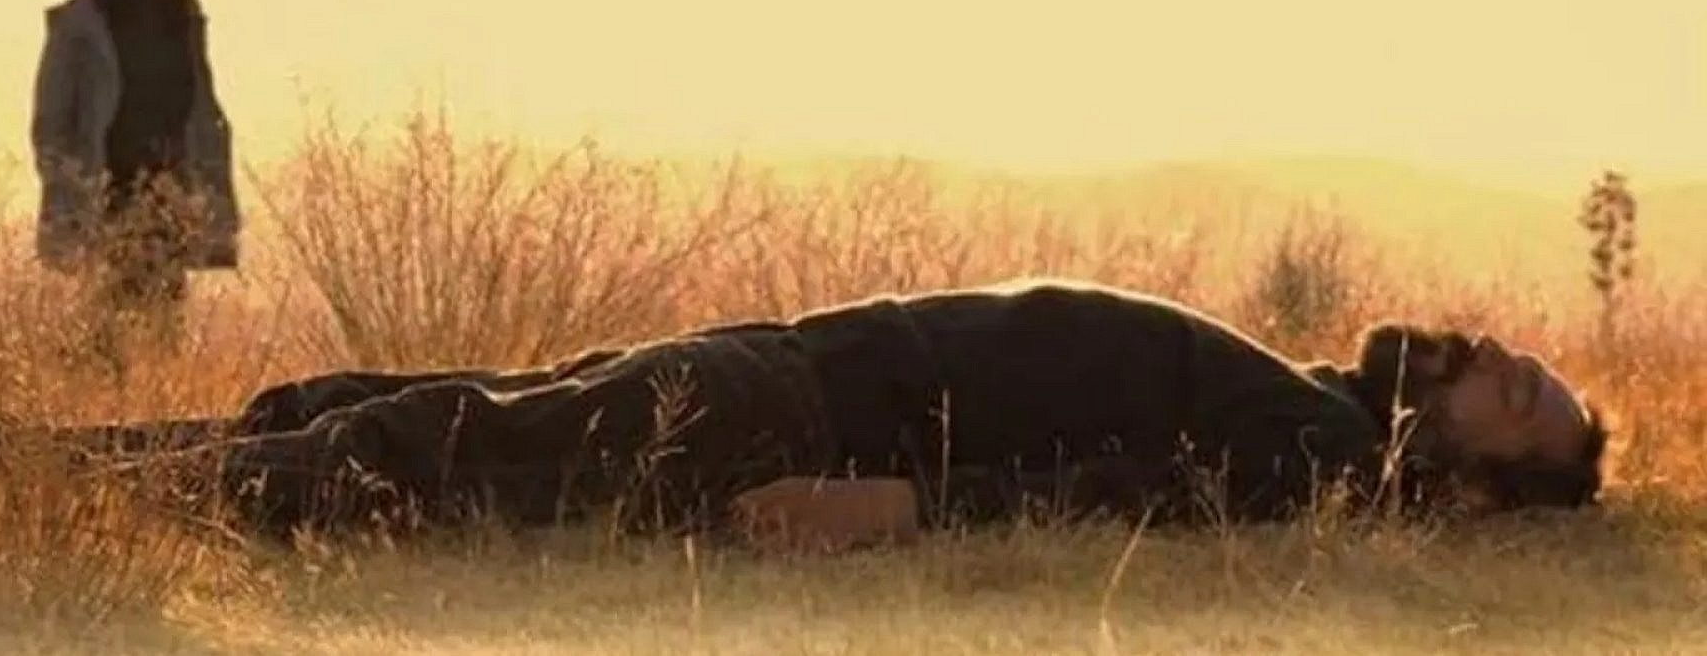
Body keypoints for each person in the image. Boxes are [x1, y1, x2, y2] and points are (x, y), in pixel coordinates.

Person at [186, 278, 1605, 547]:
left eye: (1517, 391)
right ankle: (17, 463)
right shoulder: (1315, 401)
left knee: (414, 453)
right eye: (1513, 354)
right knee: (391, 415)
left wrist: (898, 505)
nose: (1495, 352)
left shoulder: (1325, 461)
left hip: (801, 412)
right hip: (798, 363)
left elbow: (1131, 493)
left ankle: (31, 473)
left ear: (1476, 482)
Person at [30, 0, 238, 358]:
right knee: (107, 321)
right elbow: (52, 119)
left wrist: (208, 183)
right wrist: (70, 185)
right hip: (107, 187)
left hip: (168, 185)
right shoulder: (81, 22)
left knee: (165, 321)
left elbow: (202, 103)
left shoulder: (180, 12)